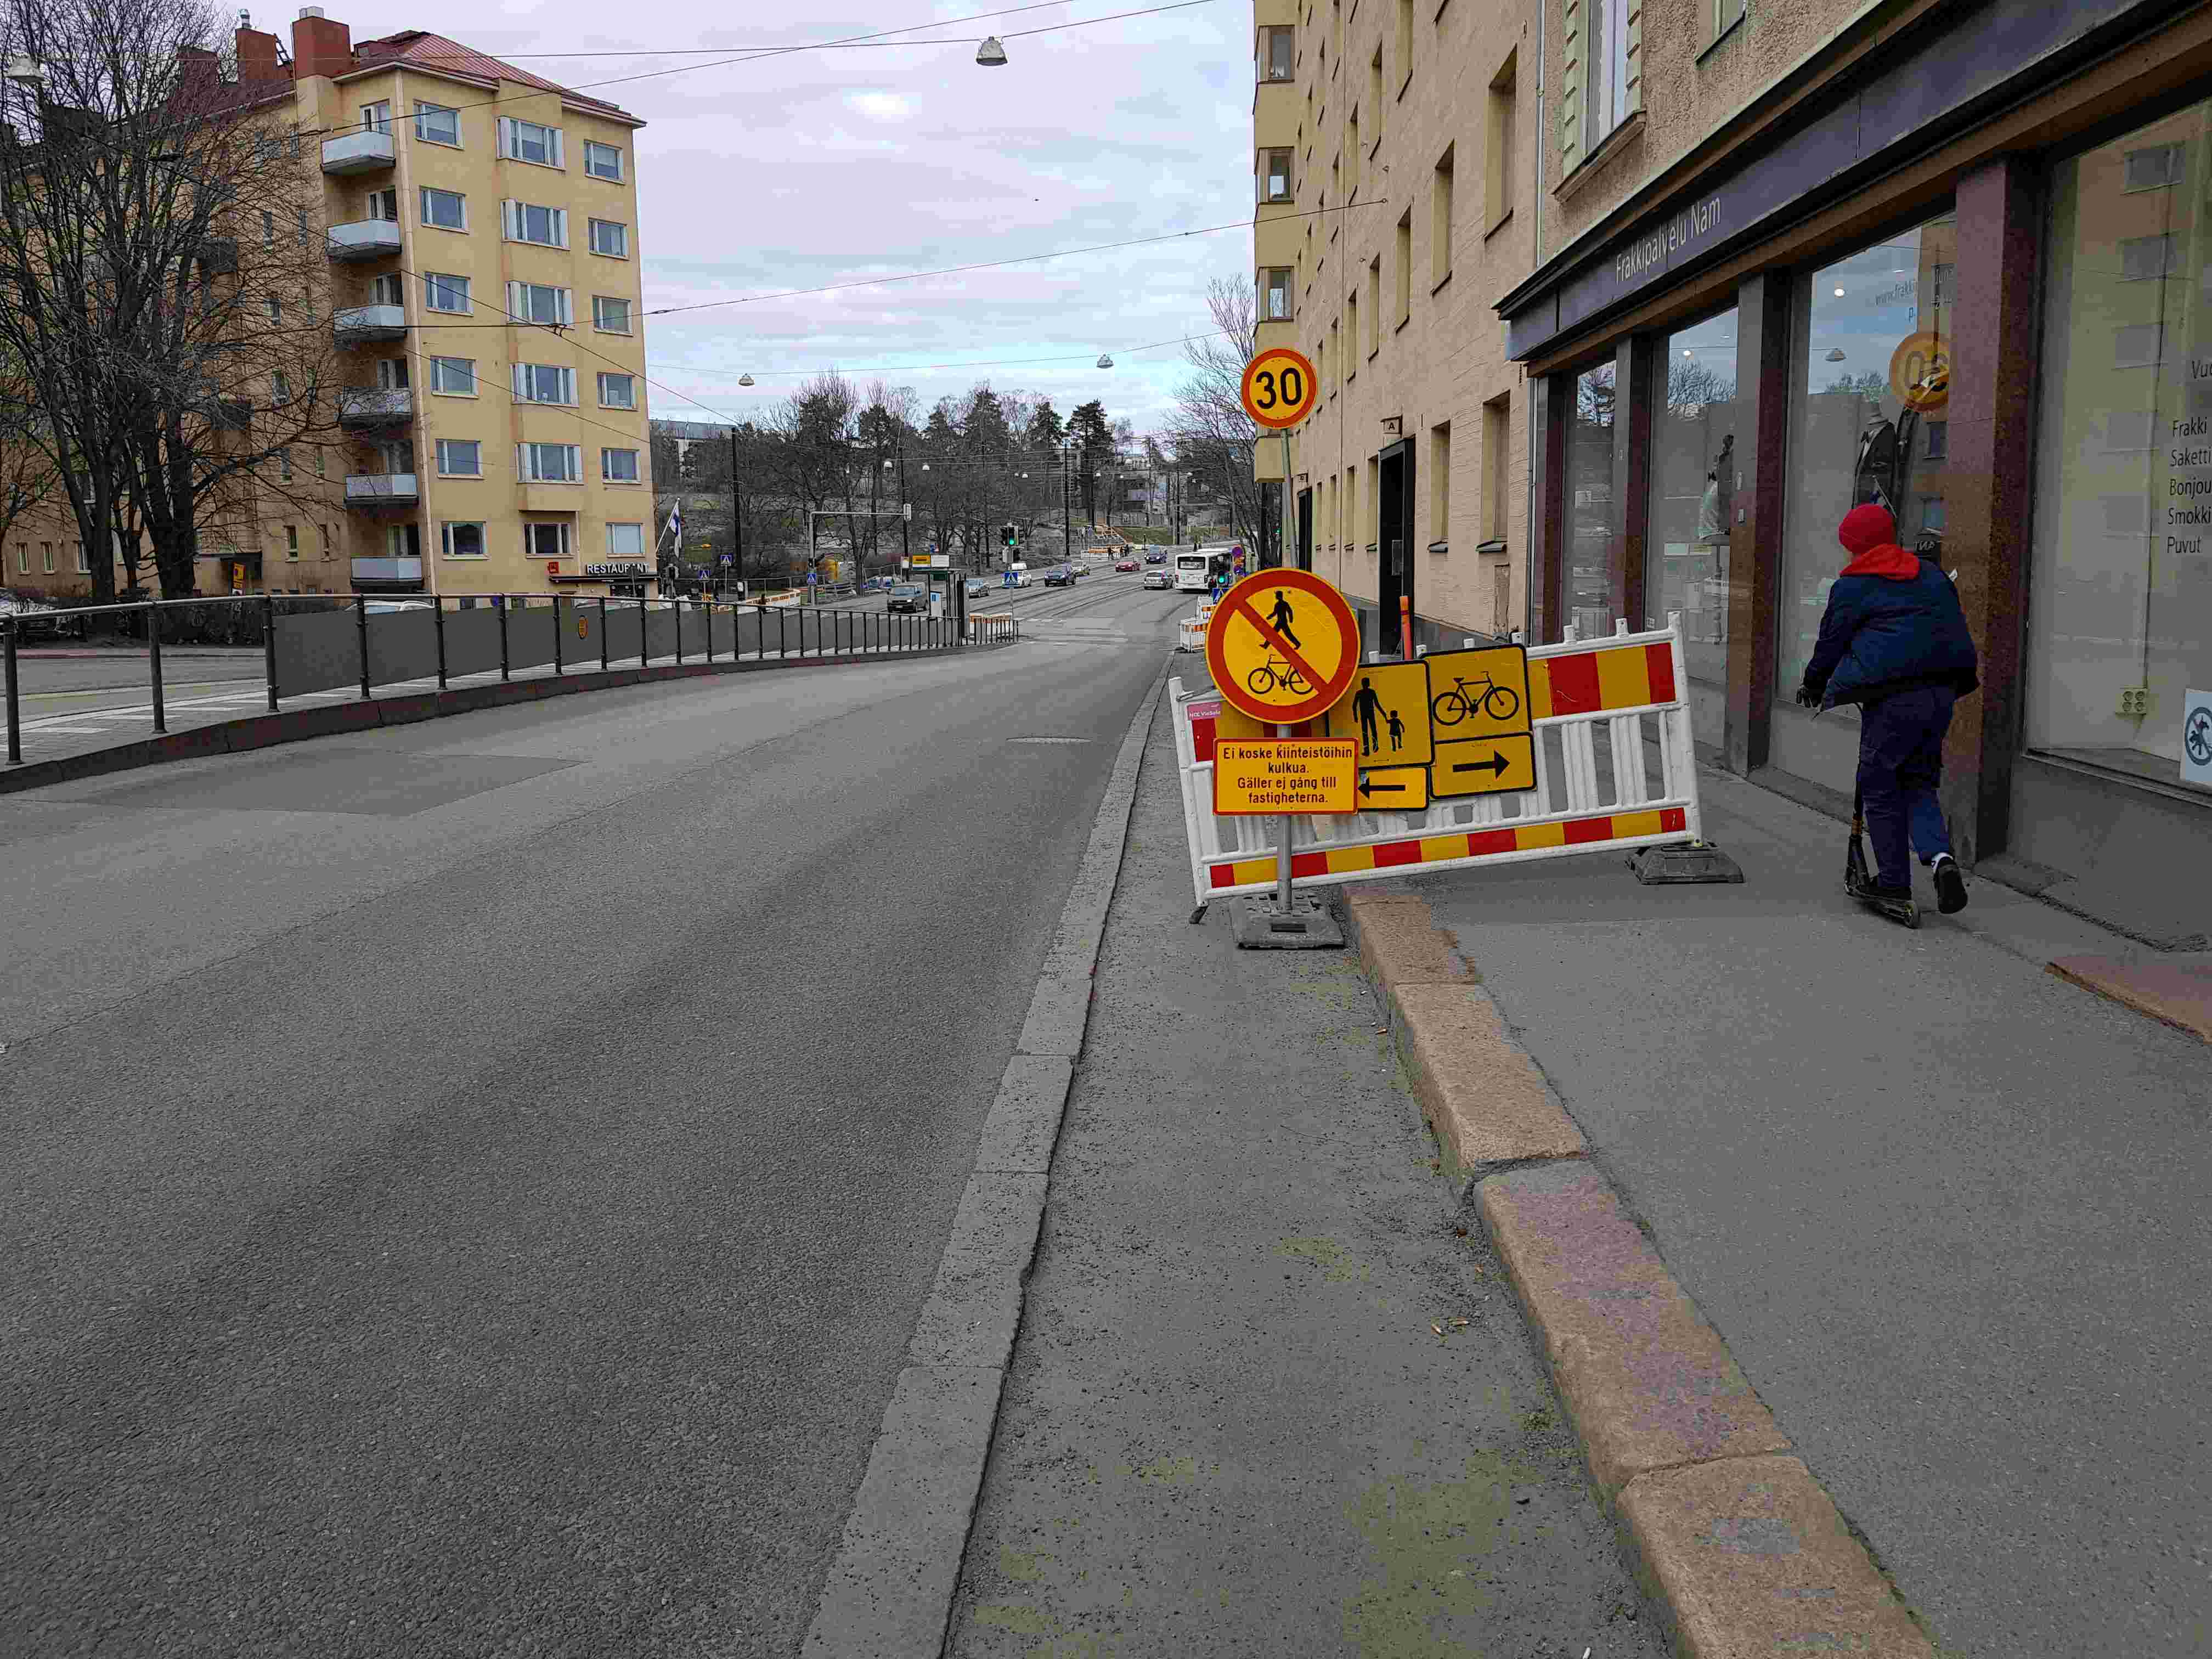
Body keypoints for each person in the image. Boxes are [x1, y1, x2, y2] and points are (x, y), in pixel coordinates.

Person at [1796, 503, 1979, 914]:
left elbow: (1831, 644)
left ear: (1854, 546)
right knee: (1919, 781)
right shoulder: (1931, 574)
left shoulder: (1853, 586)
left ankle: (1894, 882)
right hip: (1942, 693)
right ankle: (1941, 860)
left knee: (1880, 783)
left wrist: (1814, 684)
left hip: (1894, 699)